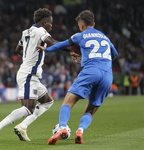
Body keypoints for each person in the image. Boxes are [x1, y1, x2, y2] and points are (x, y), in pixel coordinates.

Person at [0, 8, 80, 143]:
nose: (51, 26)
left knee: (47, 102)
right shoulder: (41, 31)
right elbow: (52, 42)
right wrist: (70, 50)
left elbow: (18, 49)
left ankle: (23, 126)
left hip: (31, 74)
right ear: (44, 22)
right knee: (27, 108)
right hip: (29, 74)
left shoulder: (26, 32)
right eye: (50, 23)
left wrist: (31, 54)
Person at [36, 10, 118, 145]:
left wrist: (47, 49)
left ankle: (62, 127)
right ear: (94, 23)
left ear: (81, 24)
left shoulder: (79, 36)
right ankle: (80, 131)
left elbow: (61, 45)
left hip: (91, 71)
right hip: (107, 75)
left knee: (68, 101)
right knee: (91, 109)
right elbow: (114, 54)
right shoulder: (105, 37)